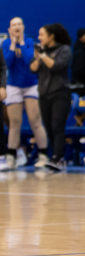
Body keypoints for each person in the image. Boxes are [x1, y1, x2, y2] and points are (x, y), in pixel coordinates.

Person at [1, 17, 48, 170]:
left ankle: (43, 154)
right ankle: (11, 156)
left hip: (30, 85)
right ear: (9, 29)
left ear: (23, 27)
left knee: (35, 120)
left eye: (19, 24)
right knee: (14, 123)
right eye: (13, 25)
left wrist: (21, 42)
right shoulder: (6, 44)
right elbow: (7, 64)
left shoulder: (29, 42)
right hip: (14, 85)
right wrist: (14, 44)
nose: (17, 27)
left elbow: (30, 60)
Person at [29, 23, 72, 171]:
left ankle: (58, 158)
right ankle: (55, 156)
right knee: (48, 127)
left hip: (60, 93)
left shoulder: (64, 49)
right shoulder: (42, 51)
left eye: (42, 35)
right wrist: (38, 57)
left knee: (57, 126)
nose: (39, 38)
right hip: (44, 94)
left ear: (51, 36)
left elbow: (56, 66)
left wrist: (43, 55)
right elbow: (33, 68)